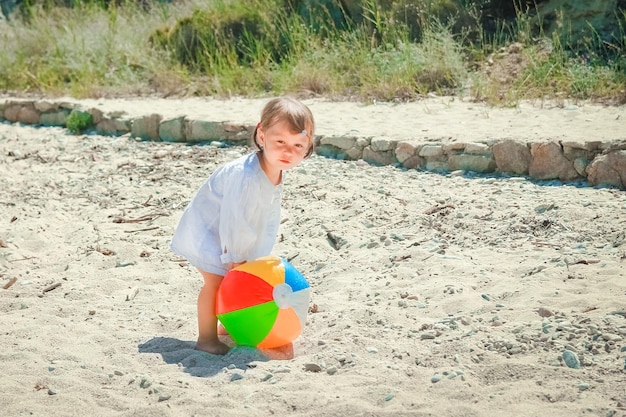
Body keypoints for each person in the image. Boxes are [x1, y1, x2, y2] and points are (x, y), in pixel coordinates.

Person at [170, 97, 315, 355]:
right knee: (215, 283)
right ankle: (206, 338)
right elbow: (234, 219)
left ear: (308, 147)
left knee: (234, 280)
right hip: (209, 233)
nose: (287, 151)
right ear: (261, 135)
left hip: (228, 232)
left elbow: (261, 213)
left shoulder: (274, 169)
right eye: (279, 141)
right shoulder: (246, 176)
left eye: (297, 145)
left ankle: (227, 323)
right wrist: (235, 256)